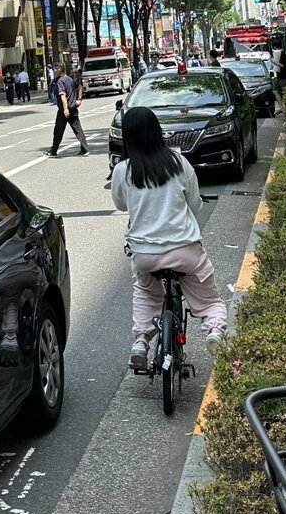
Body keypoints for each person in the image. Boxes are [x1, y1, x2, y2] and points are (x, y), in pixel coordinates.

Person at [111, 106, 227, 369]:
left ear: (127, 137)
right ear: (157, 131)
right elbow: (195, 204)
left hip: (146, 256)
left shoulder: (123, 170)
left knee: (146, 293)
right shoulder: (178, 162)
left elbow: (120, 204)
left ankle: (141, 341)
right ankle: (214, 330)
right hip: (186, 252)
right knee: (209, 301)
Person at [45, 65, 89, 158]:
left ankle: (53, 151)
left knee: (58, 131)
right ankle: (85, 149)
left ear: (59, 70)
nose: (54, 71)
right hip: (73, 108)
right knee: (78, 129)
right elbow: (80, 87)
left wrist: (65, 109)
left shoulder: (60, 81)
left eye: (55, 69)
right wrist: (79, 99)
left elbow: (62, 95)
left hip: (64, 110)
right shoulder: (69, 78)